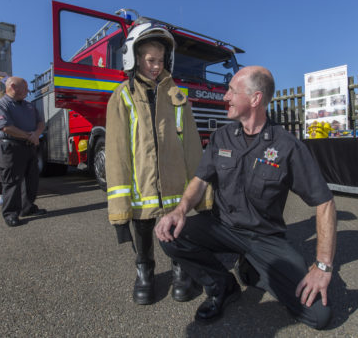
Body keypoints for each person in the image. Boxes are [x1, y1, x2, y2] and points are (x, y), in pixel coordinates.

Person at [155, 66, 337, 329]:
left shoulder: (287, 147)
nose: (224, 97)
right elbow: (200, 180)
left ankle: (252, 265)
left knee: (319, 316)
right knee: (170, 233)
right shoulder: (221, 137)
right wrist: (180, 209)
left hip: (264, 237)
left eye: (231, 91)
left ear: (255, 99)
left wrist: (323, 266)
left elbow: (324, 201)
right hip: (223, 227)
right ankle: (222, 286)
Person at [105, 21, 211, 305]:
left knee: (176, 225)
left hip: (175, 183)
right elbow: (116, 152)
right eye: (150, 60)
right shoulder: (121, 97)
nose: (155, 66)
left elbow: (191, 145)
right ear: (135, 58)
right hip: (140, 185)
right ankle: (145, 272)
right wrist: (118, 208)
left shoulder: (177, 96)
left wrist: (202, 193)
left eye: (160, 60)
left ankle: (180, 270)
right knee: (142, 227)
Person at [0, 77, 46, 227]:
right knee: (12, 182)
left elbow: (40, 122)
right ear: (13, 87)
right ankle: (10, 213)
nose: (28, 91)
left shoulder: (29, 106)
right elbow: (6, 127)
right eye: (25, 87)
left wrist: (36, 134)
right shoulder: (1, 105)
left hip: (29, 146)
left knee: (31, 179)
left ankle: (27, 208)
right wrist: (30, 135)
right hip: (11, 147)